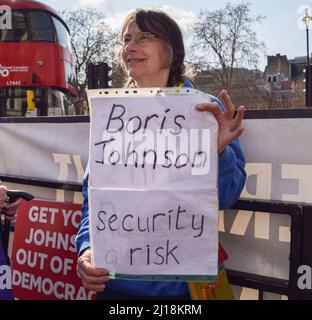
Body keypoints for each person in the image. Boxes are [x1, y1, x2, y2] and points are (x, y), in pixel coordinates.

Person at [76, 8, 246, 300]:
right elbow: (96, 198)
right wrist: (87, 249)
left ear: (171, 50)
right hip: (117, 283)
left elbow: (226, 196)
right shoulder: (112, 115)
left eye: (144, 38)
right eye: (126, 39)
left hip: (185, 288)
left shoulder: (206, 110)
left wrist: (216, 153)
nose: (130, 47)